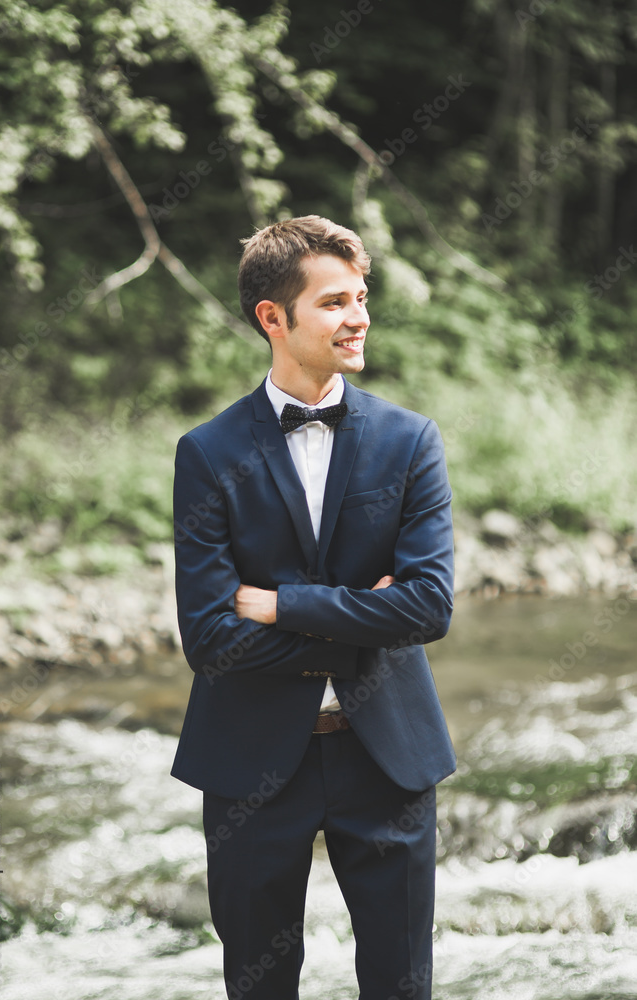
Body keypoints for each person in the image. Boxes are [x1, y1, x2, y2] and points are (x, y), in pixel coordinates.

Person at [171, 215, 455, 1000]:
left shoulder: (410, 440)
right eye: (333, 303)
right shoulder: (207, 453)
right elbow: (210, 639)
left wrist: (280, 605)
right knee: (259, 986)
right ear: (273, 317)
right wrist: (365, 621)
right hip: (249, 763)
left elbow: (428, 608)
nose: (357, 317)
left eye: (360, 298)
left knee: (400, 987)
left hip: (388, 754)